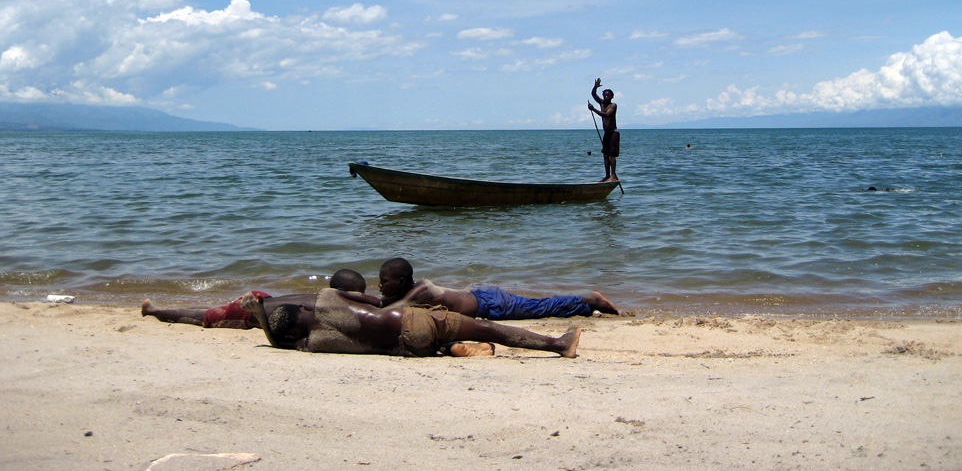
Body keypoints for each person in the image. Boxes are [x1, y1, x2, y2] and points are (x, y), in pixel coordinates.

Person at [240, 290, 581, 358]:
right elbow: (373, 301)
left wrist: (261, 319)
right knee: (490, 329)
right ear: (302, 307)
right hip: (411, 320)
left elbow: (279, 344)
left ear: (294, 333)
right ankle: (556, 344)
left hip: (409, 348)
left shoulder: (317, 344)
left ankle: (453, 350)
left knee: (440, 344)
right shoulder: (327, 297)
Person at [377, 257, 618, 319]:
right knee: (535, 306)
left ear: (400, 282)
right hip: (479, 295)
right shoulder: (410, 291)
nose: (379, 286)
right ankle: (586, 302)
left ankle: (590, 301)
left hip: (490, 304)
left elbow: (387, 309)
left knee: (539, 307)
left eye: (384, 282)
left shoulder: (421, 290)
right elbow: (383, 303)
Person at [141, 269, 375, 328]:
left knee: (213, 310)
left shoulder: (323, 297)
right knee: (203, 317)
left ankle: (160, 309)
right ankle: (154, 312)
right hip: (251, 309)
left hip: (265, 298)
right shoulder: (329, 305)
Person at [588, 77, 619, 182]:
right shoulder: (601, 103)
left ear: (611, 97)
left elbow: (606, 115)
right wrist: (595, 87)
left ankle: (613, 175)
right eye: (605, 95)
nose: (606, 97)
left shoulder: (613, 105)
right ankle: (607, 175)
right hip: (606, 133)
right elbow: (593, 95)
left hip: (613, 133)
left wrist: (593, 109)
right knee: (605, 154)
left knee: (612, 155)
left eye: (608, 95)